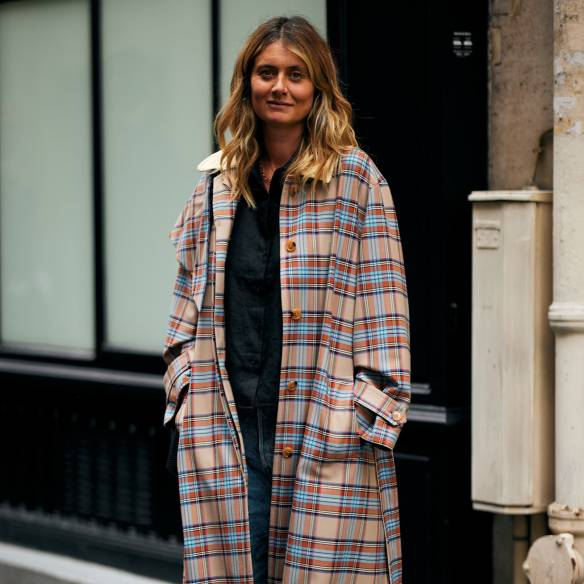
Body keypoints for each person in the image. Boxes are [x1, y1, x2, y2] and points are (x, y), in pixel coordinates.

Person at [163, 15, 410, 584]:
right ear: (247, 83)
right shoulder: (217, 186)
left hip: (322, 422)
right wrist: (184, 387)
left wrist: (362, 413)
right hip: (227, 424)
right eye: (266, 72)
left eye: (296, 74)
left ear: (317, 86)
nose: (279, 86)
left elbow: (385, 306)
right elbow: (185, 303)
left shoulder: (356, 180)